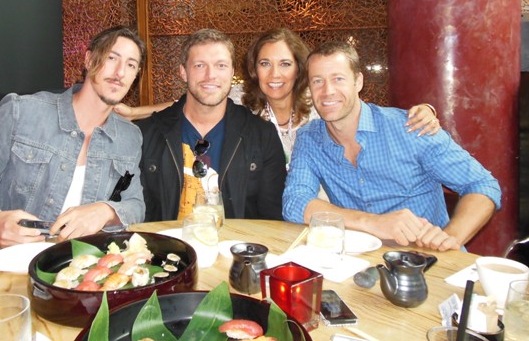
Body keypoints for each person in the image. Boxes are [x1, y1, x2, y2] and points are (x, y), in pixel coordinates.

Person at [0, 26, 147, 261]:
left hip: (77, 270)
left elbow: (135, 204)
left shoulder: (129, 137)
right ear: (89, 59)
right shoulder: (24, 112)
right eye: (112, 58)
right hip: (3, 263)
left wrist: (107, 211)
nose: (120, 72)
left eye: (131, 65)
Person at [282, 40, 501, 251]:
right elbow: (295, 203)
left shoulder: (411, 128)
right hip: (361, 264)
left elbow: (482, 184)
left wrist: (450, 237)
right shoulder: (310, 139)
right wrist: (373, 223)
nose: (328, 90)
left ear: (358, 82)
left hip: (427, 260)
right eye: (317, 81)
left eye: (338, 78)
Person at [116, 27, 440, 169]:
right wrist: (133, 113)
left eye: (285, 64)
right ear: (253, 69)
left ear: (299, 68)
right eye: (265, 63)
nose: (275, 74)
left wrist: (424, 111)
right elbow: (189, 103)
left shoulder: (320, 101)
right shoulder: (244, 98)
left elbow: (355, 109)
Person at [135, 28, 287, 221]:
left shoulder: (261, 135)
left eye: (221, 66)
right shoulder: (147, 134)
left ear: (232, 72)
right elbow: (140, 216)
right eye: (199, 65)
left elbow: (272, 217)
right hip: (168, 248)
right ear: (183, 72)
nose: (210, 75)